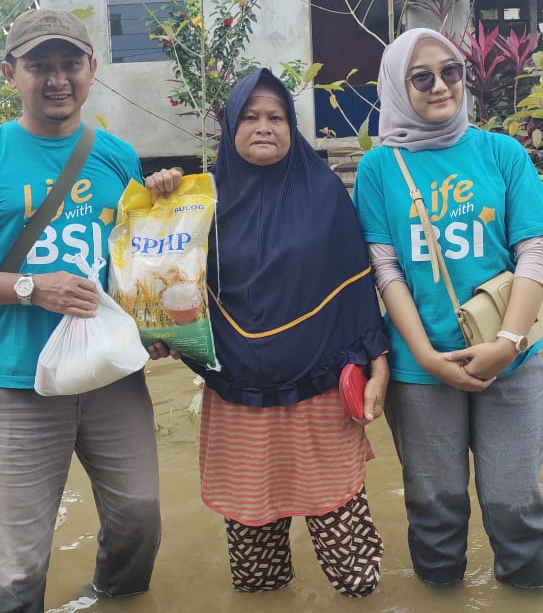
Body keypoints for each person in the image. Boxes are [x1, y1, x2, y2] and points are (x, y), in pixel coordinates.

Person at [0, 8, 161, 612]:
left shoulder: (118, 155)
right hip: (16, 381)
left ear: (91, 70)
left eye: (69, 64)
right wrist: (31, 287)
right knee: (19, 563)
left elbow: (133, 260)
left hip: (111, 376)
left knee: (140, 519)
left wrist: (164, 204)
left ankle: (114, 599)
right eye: (38, 66)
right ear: (10, 73)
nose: (57, 79)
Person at [146, 68, 391, 597]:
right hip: (238, 400)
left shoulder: (325, 193)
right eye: (251, 116)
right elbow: (159, 280)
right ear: (231, 126)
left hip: (320, 395)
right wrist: (158, 196)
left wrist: (379, 365)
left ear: (291, 125)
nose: (264, 126)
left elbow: (355, 290)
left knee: (353, 568)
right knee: (257, 575)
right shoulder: (197, 202)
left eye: (276, 117)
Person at [352, 27, 543, 590]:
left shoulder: (501, 152)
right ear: (399, 86)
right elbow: (385, 269)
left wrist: (509, 344)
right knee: (435, 506)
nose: (440, 85)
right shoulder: (379, 168)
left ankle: (528, 598)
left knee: (516, 504)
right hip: (420, 371)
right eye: (421, 77)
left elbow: (533, 253)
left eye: (451, 72)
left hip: (512, 362)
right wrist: (424, 355)